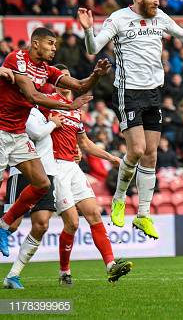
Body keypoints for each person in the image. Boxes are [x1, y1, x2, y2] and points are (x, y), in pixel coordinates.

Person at [78, 0, 183, 239]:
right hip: (129, 92)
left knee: (151, 155)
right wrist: (87, 30)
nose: (158, 2)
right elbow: (93, 48)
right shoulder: (117, 18)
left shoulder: (160, 17)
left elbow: (181, 33)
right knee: (137, 150)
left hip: (154, 93)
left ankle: (143, 215)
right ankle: (119, 198)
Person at [0, 27, 109, 257]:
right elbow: (33, 96)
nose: (54, 48)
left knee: (42, 184)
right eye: (50, 43)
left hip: (18, 135)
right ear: (35, 43)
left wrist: (96, 75)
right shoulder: (16, 58)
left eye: (55, 44)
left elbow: (79, 86)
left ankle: (2, 226)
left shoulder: (45, 70)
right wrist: (68, 106)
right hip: (1, 132)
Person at [48, 66, 132, 286]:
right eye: (62, 78)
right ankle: (64, 272)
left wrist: (111, 158)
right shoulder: (47, 104)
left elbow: (84, 144)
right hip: (55, 168)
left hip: (73, 168)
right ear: (56, 82)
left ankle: (111, 266)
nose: (67, 82)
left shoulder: (76, 111)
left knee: (94, 214)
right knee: (73, 224)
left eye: (69, 78)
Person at [2, 107, 63, 289]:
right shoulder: (23, 108)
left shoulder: (46, 113)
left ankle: (13, 275)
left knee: (42, 224)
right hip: (22, 173)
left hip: (48, 172)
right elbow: (36, 133)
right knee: (12, 225)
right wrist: (53, 123)